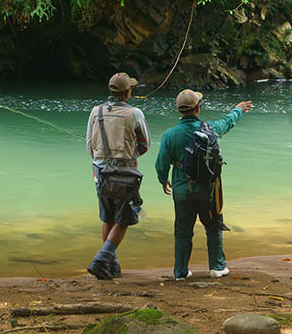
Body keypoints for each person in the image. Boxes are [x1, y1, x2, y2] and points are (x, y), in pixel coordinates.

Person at [155, 89, 252, 281]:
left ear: (179, 110)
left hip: (182, 190)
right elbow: (227, 122)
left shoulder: (169, 135)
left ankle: (181, 273)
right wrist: (238, 110)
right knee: (213, 226)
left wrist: (163, 179)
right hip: (208, 189)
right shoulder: (210, 129)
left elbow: (161, 164)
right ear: (198, 108)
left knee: (183, 232)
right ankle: (217, 267)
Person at [85, 71, 150, 280]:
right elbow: (145, 144)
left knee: (108, 217)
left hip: (100, 172)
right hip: (125, 172)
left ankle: (112, 266)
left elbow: (90, 145)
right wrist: (132, 156)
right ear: (128, 92)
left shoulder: (96, 111)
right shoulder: (135, 113)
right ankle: (101, 260)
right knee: (124, 218)